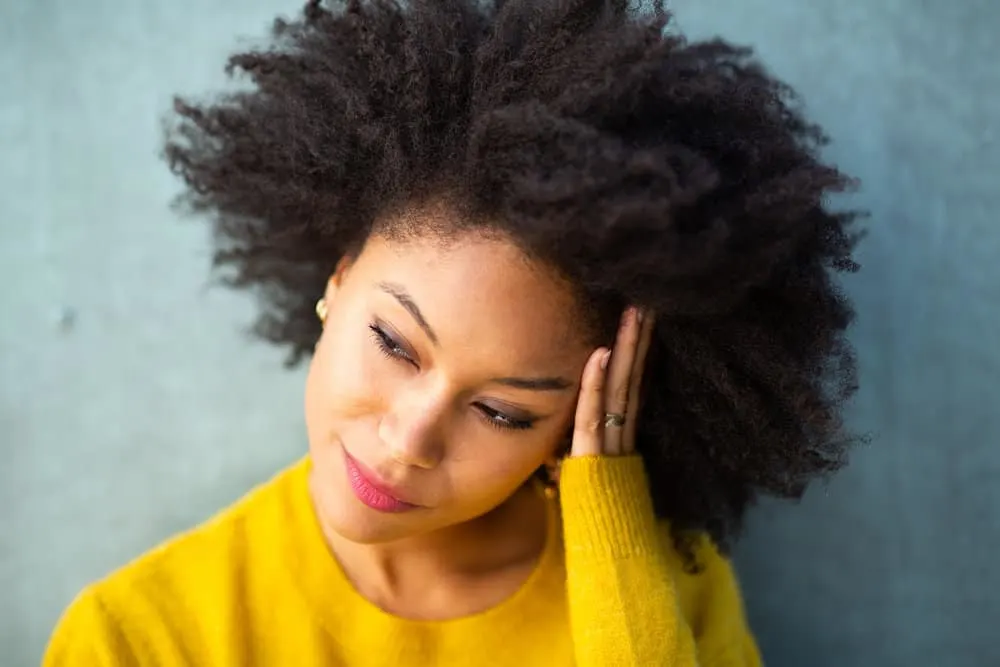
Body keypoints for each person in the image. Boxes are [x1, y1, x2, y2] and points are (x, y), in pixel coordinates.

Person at [43, 0, 865, 664]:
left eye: (504, 411)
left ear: (573, 429)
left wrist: (615, 547)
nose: (409, 438)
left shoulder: (667, 590)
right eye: (395, 343)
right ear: (336, 278)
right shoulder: (137, 638)